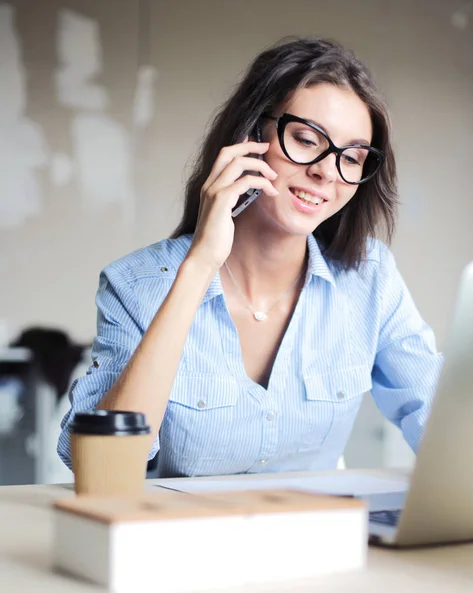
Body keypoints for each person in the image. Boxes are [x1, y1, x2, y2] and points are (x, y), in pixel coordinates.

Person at [58, 37, 443, 478]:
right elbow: (102, 469)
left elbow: (440, 423)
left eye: (352, 158)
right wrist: (200, 264)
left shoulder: (370, 278)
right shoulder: (135, 284)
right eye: (305, 139)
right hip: (178, 542)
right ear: (250, 135)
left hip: (315, 540)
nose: (324, 170)